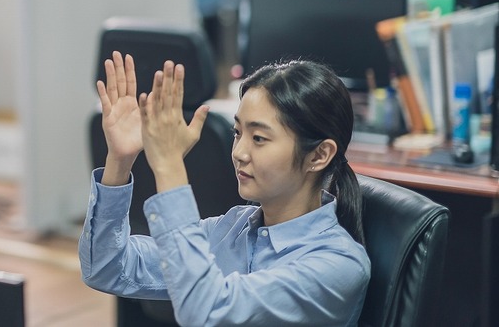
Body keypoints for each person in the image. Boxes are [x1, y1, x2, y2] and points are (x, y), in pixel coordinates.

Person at [79, 53, 370, 326]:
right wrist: (120, 160)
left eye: (258, 138)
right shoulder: (232, 228)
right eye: (237, 133)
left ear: (319, 155)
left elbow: (208, 311)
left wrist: (169, 166)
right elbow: (107, 269)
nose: (239, 152)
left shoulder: (337, 266)